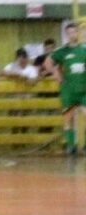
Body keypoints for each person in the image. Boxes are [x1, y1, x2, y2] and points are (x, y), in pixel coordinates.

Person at [44, 23, 86, 155]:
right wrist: (56, 75)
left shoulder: (84, 49)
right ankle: (71, 145)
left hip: (84, 88)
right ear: (66, 35)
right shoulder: (62, 52)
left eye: (74, 32)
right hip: (69, 89)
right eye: (69, 33)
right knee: (69, 118)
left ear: (77, 33)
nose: (72, 35)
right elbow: (47, 62)